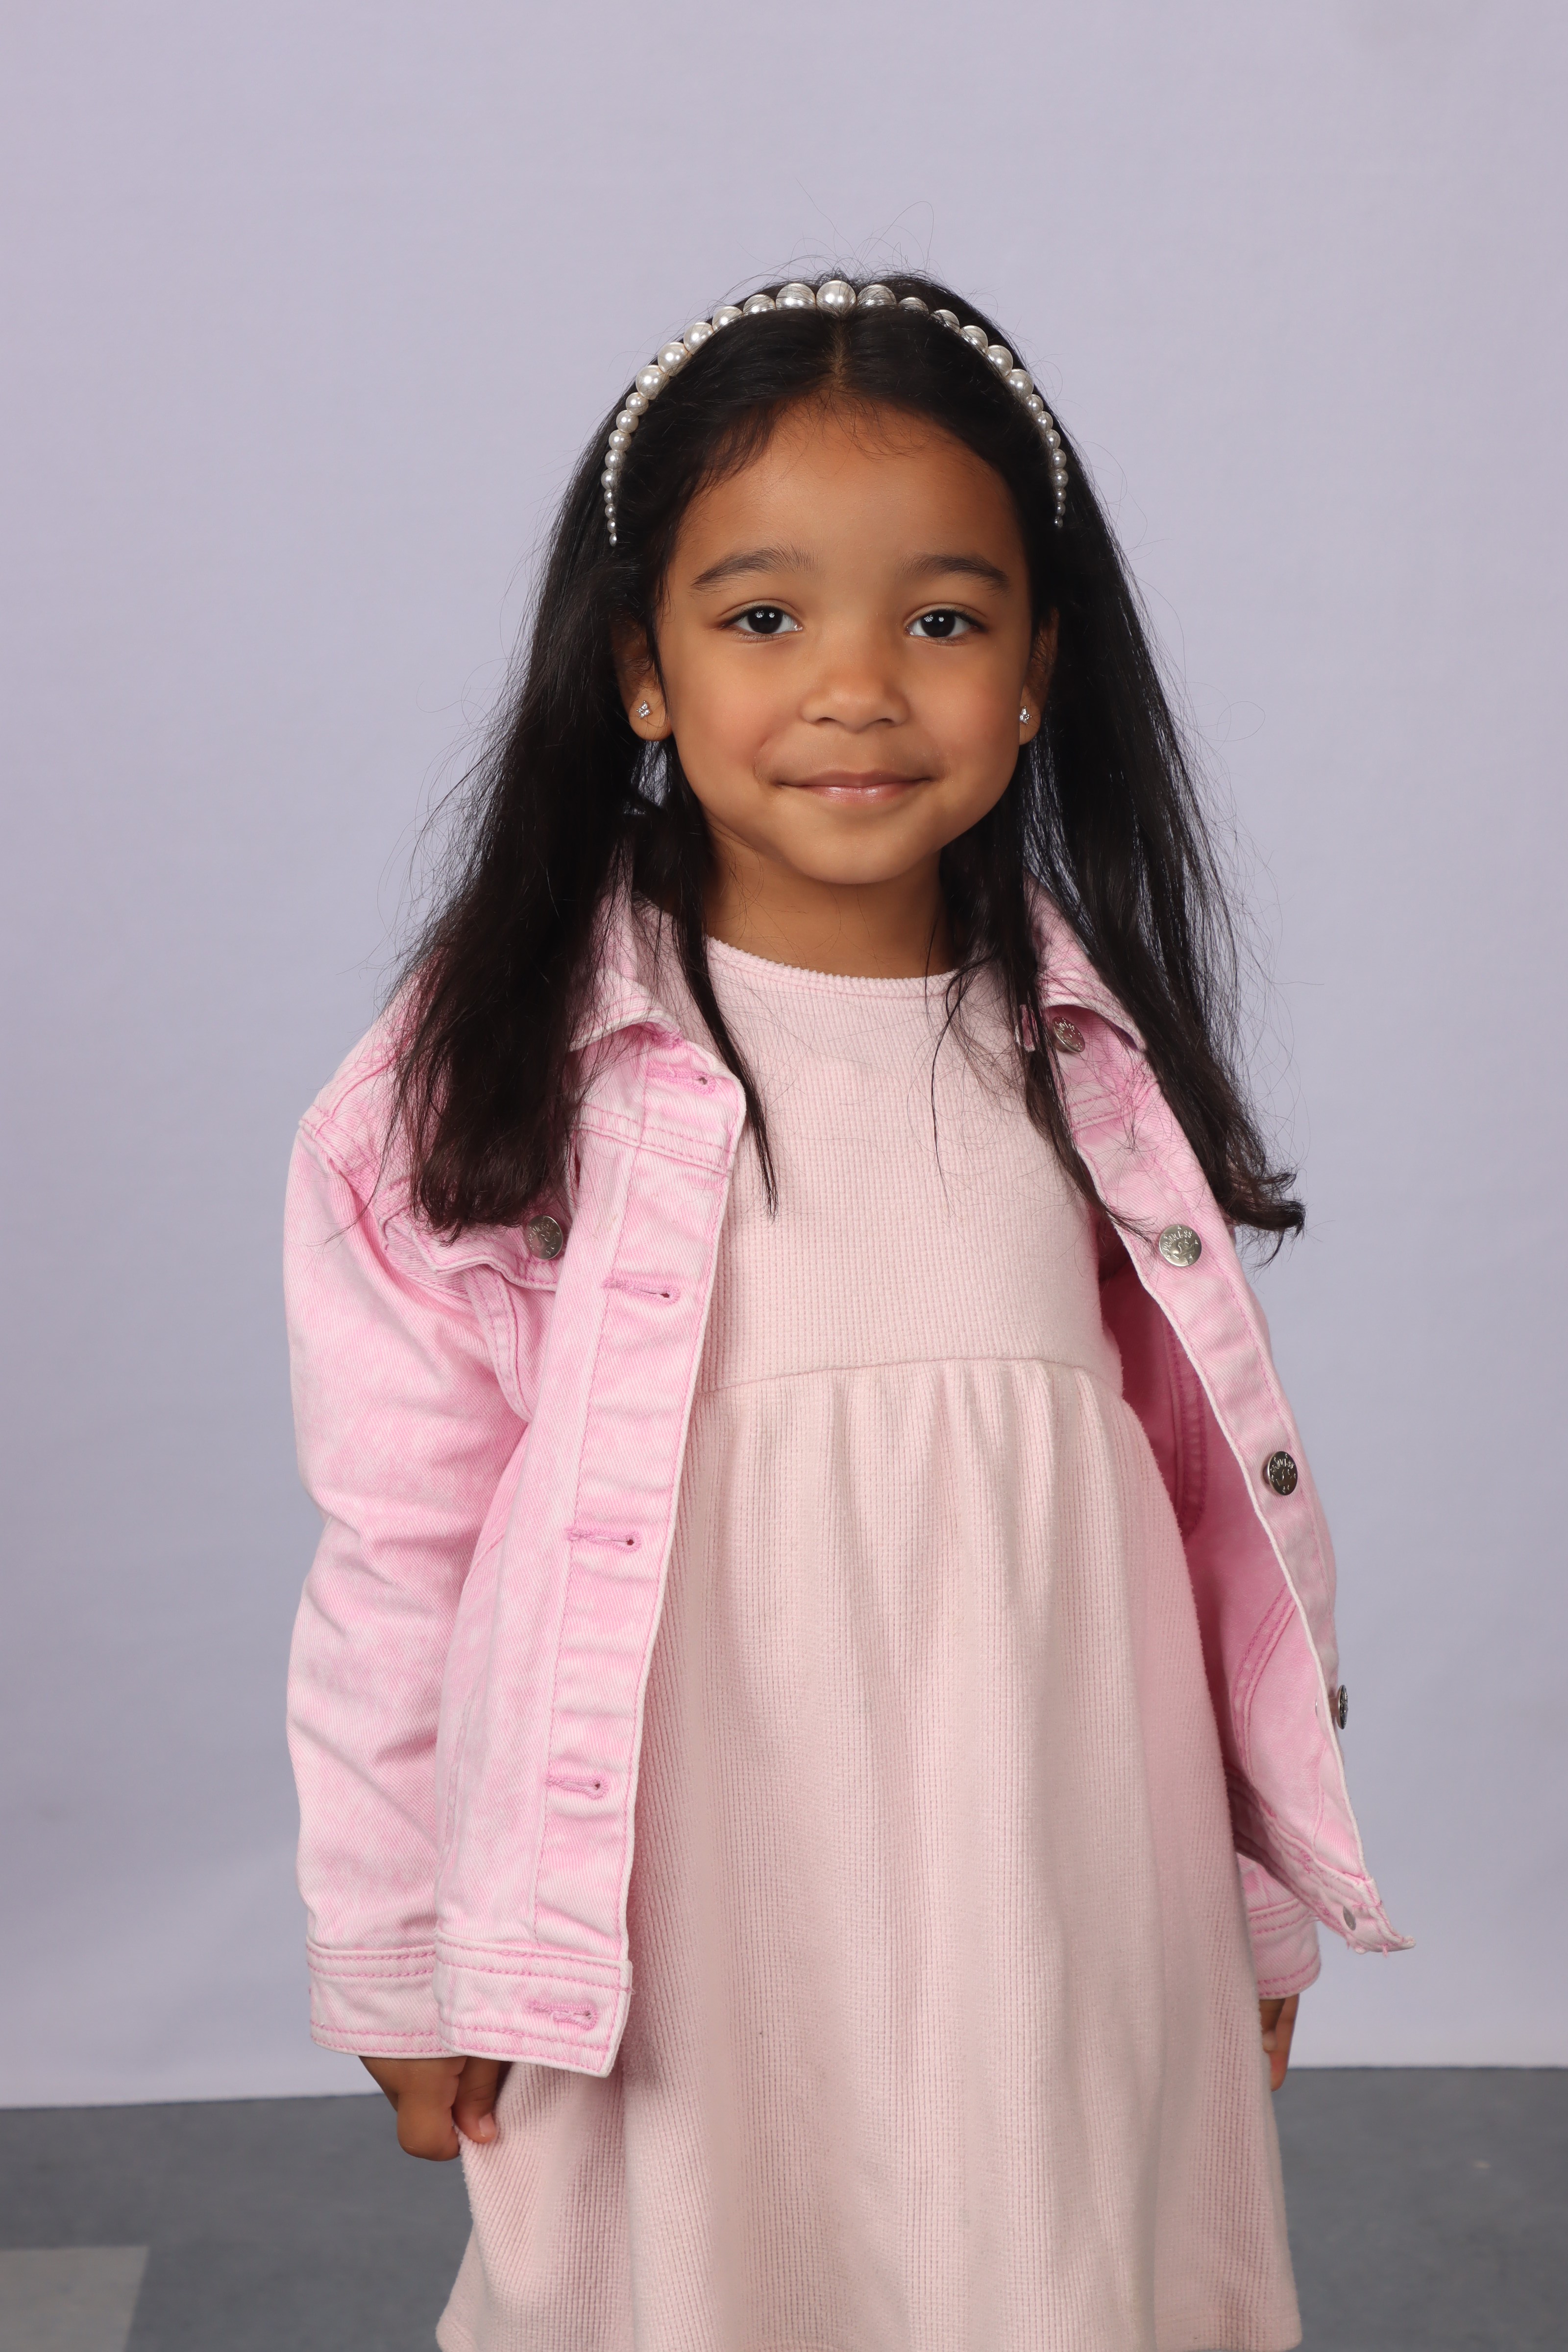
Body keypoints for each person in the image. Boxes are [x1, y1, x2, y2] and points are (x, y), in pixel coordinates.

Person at [283, 270, 1407, 2352]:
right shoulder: (504, 1064)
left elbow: (1207, 1530)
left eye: (945, 621)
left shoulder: (1083, 1055)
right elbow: (401, 1544)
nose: (858, 688)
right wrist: (401, 1948)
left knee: (1049, 2244)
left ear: (1040, 669)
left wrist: (1255, 1904)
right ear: (640, 667)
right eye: (763, 616)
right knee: (712, 2262)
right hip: (693, 1876)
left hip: (1056, 1844)